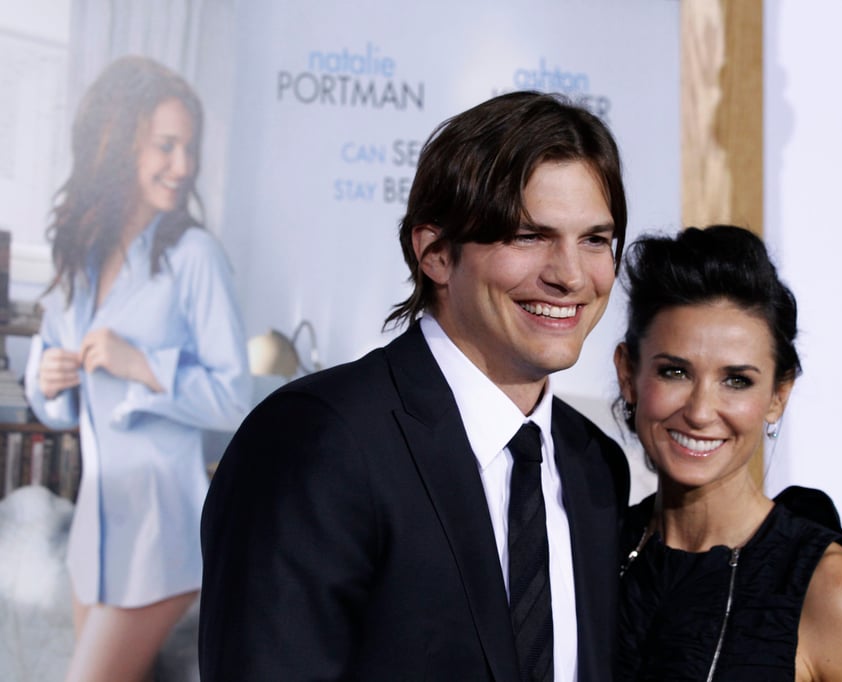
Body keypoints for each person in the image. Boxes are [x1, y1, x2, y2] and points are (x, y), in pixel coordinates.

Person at [198, 90, 631, 681]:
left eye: (595, 240)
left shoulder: (595, 465)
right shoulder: (317, 440)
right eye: (528, 236)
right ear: (435, 253)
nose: (571, 275)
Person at [23, 55, 252, 681]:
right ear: (118, 145)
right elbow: (55, 402)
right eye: (166, 146)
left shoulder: (195, 256)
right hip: (95, 529)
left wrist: (143, 365)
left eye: (189, 148)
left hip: (162, 527)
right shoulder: (79, 256)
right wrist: (47, 381)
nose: (183, 166)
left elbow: (235, 397)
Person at [613, 226, 842, 681]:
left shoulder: (838, 595)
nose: (700, 411)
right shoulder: (586, 551)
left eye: (737, 381)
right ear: (629, 374)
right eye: (675, 372)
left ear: (778, 395)